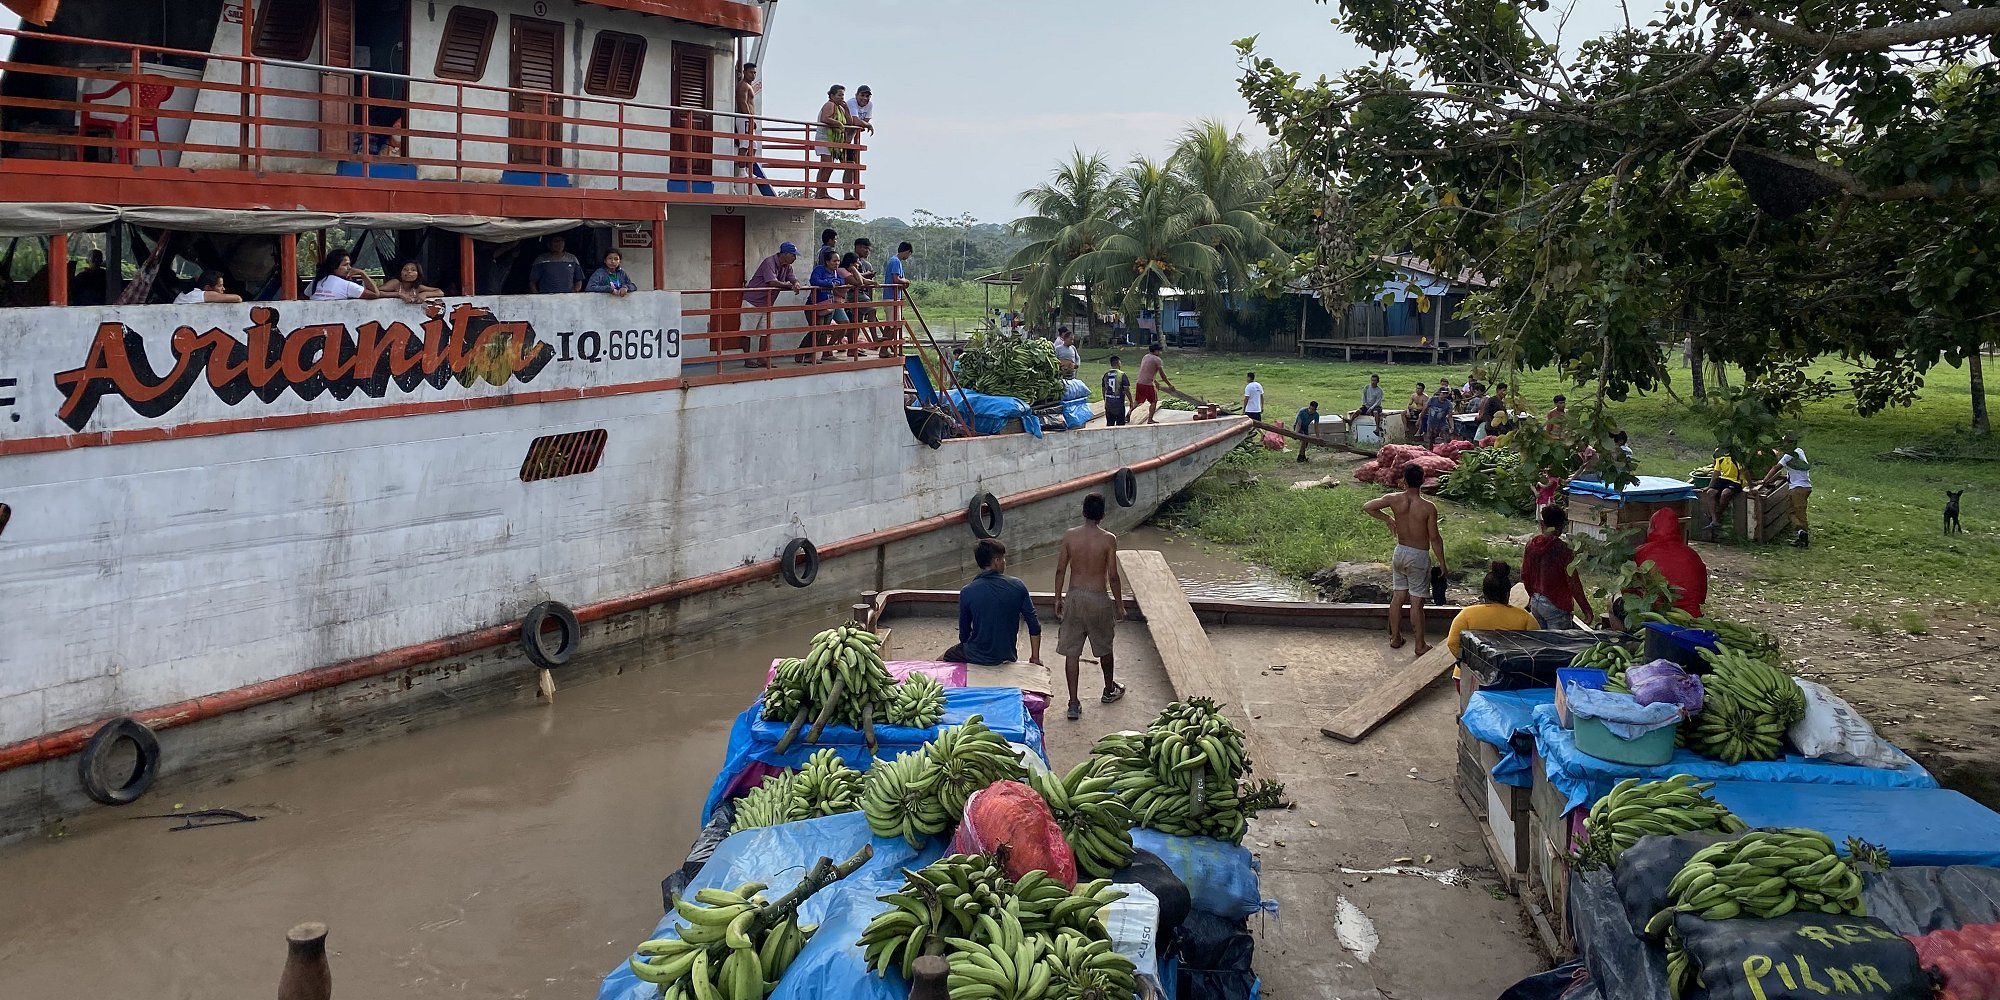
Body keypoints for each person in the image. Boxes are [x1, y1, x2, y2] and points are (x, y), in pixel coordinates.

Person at [1053, 493, 1126, 720]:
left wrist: (1058, 597)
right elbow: (1113, 576)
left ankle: (1073, 703)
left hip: (1074, 596)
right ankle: (1108, 689)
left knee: (1072, 652)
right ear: (1102, 515)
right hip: (1098, 598)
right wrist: (1119, 605)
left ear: (1083, 512)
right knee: (1105, 647)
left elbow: (1060, 570)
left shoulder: (1070, 536)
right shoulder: (1108, 539)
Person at [1363, 464, 1449, 655]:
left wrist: (1387, 519)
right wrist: (1442, 562)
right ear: (1423, 482)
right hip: (1418, 555)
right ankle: (1420, 645)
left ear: (1404, 480)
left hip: (1400, 552)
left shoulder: (1394, 500)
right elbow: (1434, 537)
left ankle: (1395, 638)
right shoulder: (1428, 507)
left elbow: (1368, 507)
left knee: (1398, 597)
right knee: (1417, 602)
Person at [943, 538, 1043, 667]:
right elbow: (1034, 625)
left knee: (941, 661)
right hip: (1007, 655)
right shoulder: (1018, 586)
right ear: (996, 561)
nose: (1005, 562)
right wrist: (1035, 658)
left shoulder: (967, 591)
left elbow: (964, 634)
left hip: (974, 654)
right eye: (1003, 558)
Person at [1445, 562, 1540, 659]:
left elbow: (1452, 643)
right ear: (1507, 594)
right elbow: (1538, 645)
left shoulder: (1467, 614)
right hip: (1512, 671)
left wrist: (1467, 660)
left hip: (1469, 672)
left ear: (1484, 593)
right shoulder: (1525, 617)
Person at [1521, 506, 1593, 628]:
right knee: (1559, 645)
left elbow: (1525, 575)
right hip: (1556, 604)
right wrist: (1586, 610)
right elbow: (1573, 582)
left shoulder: (1530, 545)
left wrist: (1532, 596)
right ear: (1560, 527)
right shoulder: (1563, 550)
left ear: (1542, 523)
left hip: (1536, 601)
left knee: (1540, 643)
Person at [1632, 507, 1708, 618]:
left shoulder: (1640, 552)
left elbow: (1628, 592)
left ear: (1652, 528)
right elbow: (1701, 596)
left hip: (1652, 615)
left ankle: (1625, 634)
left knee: (1614, 602)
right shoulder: (1692, 555)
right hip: (1690, 617)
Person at [743, 242, 800, 368]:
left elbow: (792, 277)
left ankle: (762, 358)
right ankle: (747, 359)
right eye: (793, 255)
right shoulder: (769, 262)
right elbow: (772, 281)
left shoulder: (787, 266)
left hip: (767, 303)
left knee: (766, 332)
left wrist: (795, 282)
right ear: (785, 254)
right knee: (747, 331)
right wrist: (790, 285)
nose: (795, 258)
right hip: (753, 301)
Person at [1760, 433, 1812, 548]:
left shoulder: (1788, 455)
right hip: (1799, 486)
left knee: (1799, 513)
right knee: (1790, 511)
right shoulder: (1799, 451)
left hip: (1799, 488)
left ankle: (1803, 537)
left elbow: (1776, 468)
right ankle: (1800, 533)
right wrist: (1770, 480)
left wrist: (1764, 480)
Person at [802, 247, 846, 362]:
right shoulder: (819, 270)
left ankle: (809, 354)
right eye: (834, 261)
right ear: (827, 262)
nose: (837, 263)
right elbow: (814, 281)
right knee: (817, 330)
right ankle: (805, 353)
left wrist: (836, 282)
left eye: (838, 261)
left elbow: (842, 281)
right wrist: (829, 283)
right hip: (815, 305)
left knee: (822, 331)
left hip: (828, 305)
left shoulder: (835, 272)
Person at [1700, 447, 1747, 539]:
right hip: (1724, 479)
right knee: (1710, 492)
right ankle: (1714, 520)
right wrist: (1710, 486)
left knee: (1725, 493)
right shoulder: (1720, 457)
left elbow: (1745, 472)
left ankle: (1717, 514)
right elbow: (1716, 472)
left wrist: (1751, 485)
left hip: (1736, 481)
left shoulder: (1736, 457)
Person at [814, 85, 849, 199]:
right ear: (832, 95)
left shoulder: (839, 108)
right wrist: (838, 124)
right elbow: (825, 118)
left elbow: (849, 121)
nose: (842, 98)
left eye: (843, 95)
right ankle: (821, 193)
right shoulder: (830, 104)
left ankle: (822, 192)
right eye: (839, 95)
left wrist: (847, 109)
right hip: (824, 138)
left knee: (826, 166)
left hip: (832, 140)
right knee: (827, 166)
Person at [841, 85, 874, 202]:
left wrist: (864, 124)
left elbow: (864, 122)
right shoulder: (852, 103)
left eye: (867, 96)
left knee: (851, 165)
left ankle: (847, 193)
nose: (864, 98)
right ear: (856, 95)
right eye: (862, 95)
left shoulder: (869, 105)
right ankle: (821, 192)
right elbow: (855, 121)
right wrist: (867, 125)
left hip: (850, 139)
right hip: (838, 137)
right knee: (828, 165)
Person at [309, 249, 381, 300]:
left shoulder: (317, 280)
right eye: (345, 265)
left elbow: (306, 295)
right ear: (334, 266)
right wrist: (363, 273)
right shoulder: (346, 285)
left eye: (349, 264)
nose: (349, 268)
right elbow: (375, 294)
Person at [836, 251, 868, 357]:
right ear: (850, 263)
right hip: (835, 301)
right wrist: (854, 269)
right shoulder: (842, 271)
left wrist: (872, 283)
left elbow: (862, 280)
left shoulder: (845, 271)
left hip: (841, 302)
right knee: (846, 325)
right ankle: (831, 347)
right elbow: (859, 282)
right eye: (856, 263)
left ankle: (851, 348)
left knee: (851, 325)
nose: (858, 265)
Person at [851, 238, 881, 353]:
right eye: (865, 248)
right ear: (858, 247)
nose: (867, 251)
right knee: (866, 314)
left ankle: (854, 347)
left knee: (858, 320)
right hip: (854, 293)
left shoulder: (867, 265)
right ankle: (874, 338)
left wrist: (871, 299)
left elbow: (870, 286)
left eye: (869, 249)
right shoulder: (851, 259)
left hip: (864, 294)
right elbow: (850, 275)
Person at [1135, 342, 1174, 424]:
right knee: (1154, 401)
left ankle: (1129, 413)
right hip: (1148, 384)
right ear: (1156, 351)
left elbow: (1147, 372)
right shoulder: (1157, 360)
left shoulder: (1145, 357)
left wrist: (1155, 382)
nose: (1160, 353)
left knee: (1137, 400)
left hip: (1139, 382)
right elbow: (1162, 375)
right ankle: (1150, 420)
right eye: (1159, 351)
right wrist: (1169, 385)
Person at [379, 259, 443, 303]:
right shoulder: (396, 283)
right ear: (400, 273)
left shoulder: (418, 287)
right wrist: (398, 294)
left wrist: (424, 294)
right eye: (405, 269)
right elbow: (376, 292)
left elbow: (440, 292)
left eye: (413, 270)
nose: (409, 272)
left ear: (418, 274)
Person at [174, 269, 242, 304]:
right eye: (219, 286)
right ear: (207, 288)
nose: (223, 289)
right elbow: (238, 298)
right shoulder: (200, 294)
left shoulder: (191, 293)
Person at [1101, 356, 1131, 427]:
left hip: (1109, 403)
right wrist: (1131, 400)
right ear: (1118, 363)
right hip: (1119, 404)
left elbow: (1103, 389)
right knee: (1120, 425)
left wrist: (1105, 400)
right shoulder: (1122, 374)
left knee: (1109, 424)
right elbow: (1127, 389)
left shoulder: (1106, 375)